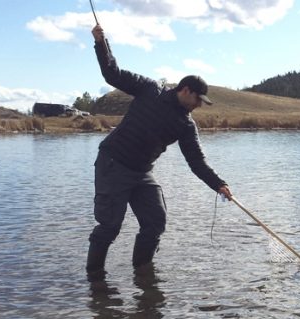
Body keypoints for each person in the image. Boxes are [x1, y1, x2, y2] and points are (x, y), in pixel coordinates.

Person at [86, 24, 232, 280]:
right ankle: (94, 279)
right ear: (185, 90)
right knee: (109, 226)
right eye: (198, 99)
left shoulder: (186, 125)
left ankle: (142, 275)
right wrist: (101, 42)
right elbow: (112, 74)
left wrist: (219, 184)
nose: (199, 105)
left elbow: (197, 162)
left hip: (141, 173)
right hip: (113, 163)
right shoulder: (149, 89)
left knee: (155, 222)